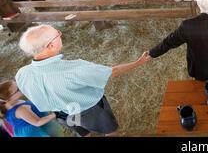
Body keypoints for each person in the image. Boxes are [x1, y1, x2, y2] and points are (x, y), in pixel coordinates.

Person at [15, 25, 150, 137]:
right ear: (51, 45)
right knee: (112, 132)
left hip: (61, 114)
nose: (60, 36)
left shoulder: (21, 74)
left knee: (84, 133)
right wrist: (139, 62)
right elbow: (112, 72)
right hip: (89, 111)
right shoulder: (75, 68)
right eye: (58, 34)